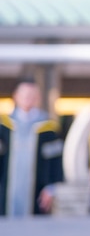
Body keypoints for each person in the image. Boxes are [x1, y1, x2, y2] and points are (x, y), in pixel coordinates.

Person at [0, 78, 64, 217]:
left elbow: (55, 161)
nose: (28, 98)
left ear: (38, 98)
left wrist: (51, 188)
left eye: (32, 95)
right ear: (15, 96)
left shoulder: (48, 128)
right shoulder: (4, 127)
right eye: (24, 94)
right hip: (5, 191)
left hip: (37, 190)